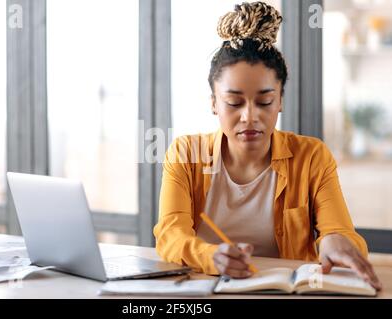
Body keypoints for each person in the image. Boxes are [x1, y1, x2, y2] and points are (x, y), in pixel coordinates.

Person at [153, 1, 382, 290]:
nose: (250, 116)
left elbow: (337, 229)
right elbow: (169, 235)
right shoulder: (186, 154)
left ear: (281, 100)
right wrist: (211, 256)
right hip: (205, 292)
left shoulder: (312, 157)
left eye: (265, 102)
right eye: (234, 102)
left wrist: (337, 240)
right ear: (213, 103)